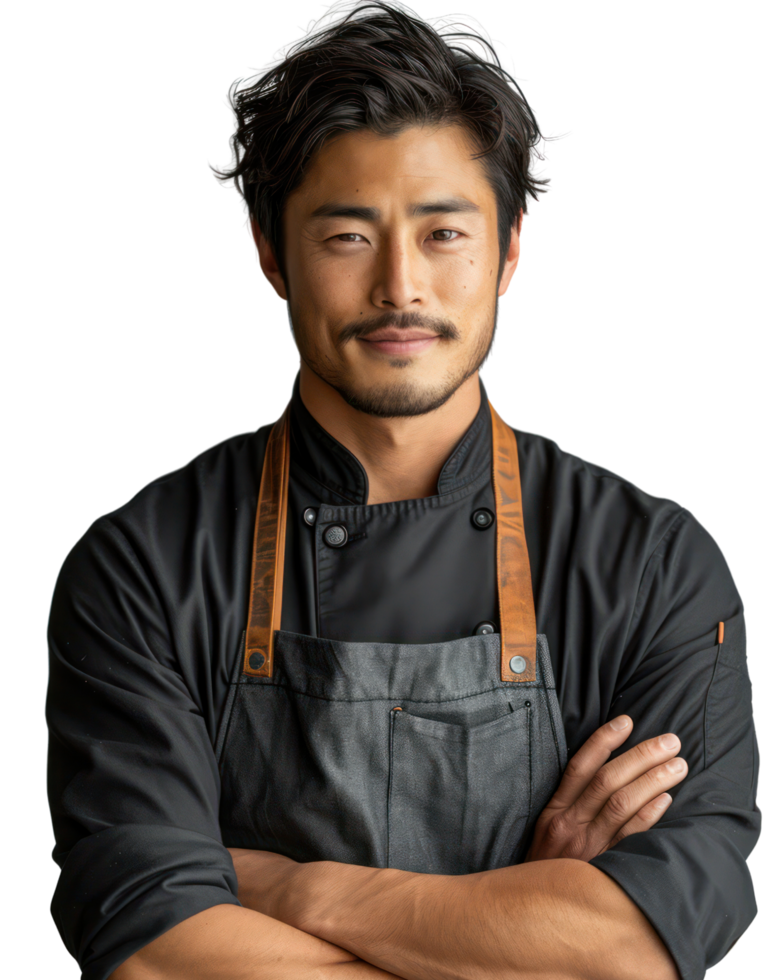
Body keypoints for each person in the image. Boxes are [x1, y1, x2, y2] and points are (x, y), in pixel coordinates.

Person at [45, 3, 760, 979]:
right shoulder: (142, 564)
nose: (399, 287)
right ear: (268, 254)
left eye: (442, 233)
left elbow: (638, 943)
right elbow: (154, 950)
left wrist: (287, 885)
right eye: (346, 235)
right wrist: (513, 923)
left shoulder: (652, 564)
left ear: (509, 249)